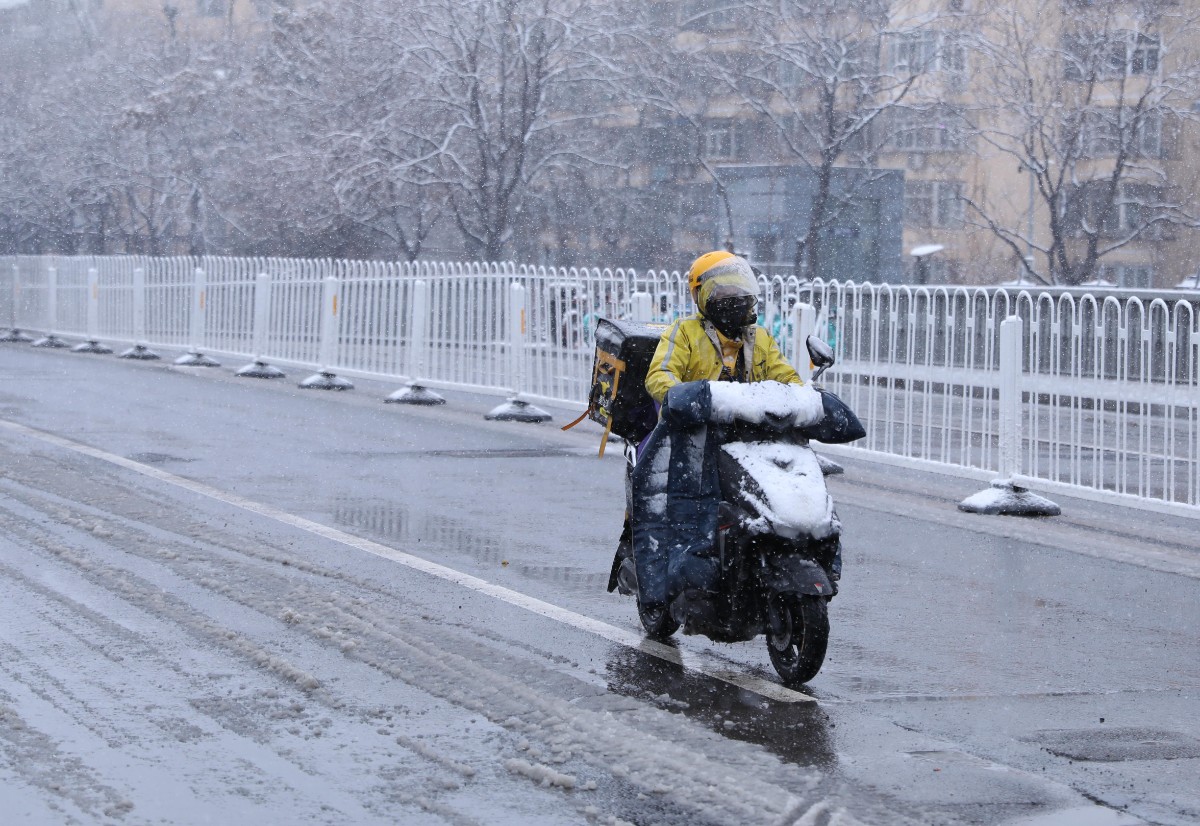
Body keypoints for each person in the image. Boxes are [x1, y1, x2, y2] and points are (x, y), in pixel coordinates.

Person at [645, 251, 801, 402]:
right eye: (722, 293)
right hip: (694, 425)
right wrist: (689, 399)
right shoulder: (684, 331)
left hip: (750, 424)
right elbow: (660, 375)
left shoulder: (761, 337)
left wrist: (807, 397)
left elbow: (787, 378)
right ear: (701, 296)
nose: (733, 301)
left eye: (738, 293)